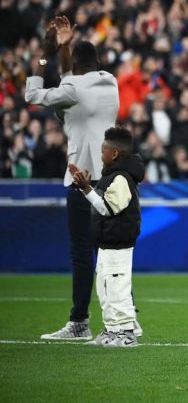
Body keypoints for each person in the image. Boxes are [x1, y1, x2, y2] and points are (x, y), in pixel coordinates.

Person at [25, 17, 135, 340]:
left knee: (82, 255)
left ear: (75, 66)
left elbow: (34, 95)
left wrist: (47, 52)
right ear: (98, 63)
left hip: (82, 181)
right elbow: (73, 79)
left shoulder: (71, 89)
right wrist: (66, 50)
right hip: (112, 180)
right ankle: (125, 318)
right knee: (113, 253)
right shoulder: (110, 83)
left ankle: (79, 322)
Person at [68, 127, 145, 347]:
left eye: (103, 151)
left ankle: (127, 332)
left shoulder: (121, 178)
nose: (100, 156)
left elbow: (108, 209)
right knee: (104, 288)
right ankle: (112, 330)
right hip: (107, 242)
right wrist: (86, 187)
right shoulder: (111, 176)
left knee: (118, 287)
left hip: (119, 244)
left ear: (114, 154)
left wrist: (86, 189)